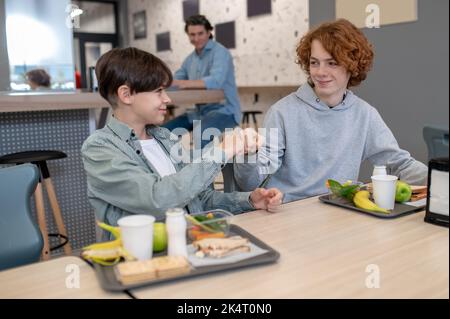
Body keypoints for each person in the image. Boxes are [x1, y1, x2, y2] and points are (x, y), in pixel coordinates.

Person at [81, 47, 283, 240]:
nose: (167, 99)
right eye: (159, 91)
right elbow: (158, 199)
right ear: (126, 95)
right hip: (142, 261)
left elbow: (200, 199)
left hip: (190, 246)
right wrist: (221, 151)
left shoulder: (164, 138)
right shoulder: (100, 148)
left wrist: (249, 201)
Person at [234, 19, 428, 203]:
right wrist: (247, 156)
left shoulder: (364, 114)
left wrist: (439, 179)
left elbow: (400, 164)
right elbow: (250, 184)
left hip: (339, 212)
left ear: (353, 66)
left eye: (332, 63)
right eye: (314, 62)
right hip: (287, 212)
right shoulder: (282, 112)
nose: (320, 72)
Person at [163, 15, 241, 148]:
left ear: (209, 32)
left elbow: (215, 81)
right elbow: (175, 81)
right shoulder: (190, 59)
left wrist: (182, 83)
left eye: (200, 33)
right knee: (163, 132)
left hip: (225, 111)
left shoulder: (220, 52)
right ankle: (171, 168)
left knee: (201, 134)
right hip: (198, 113)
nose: (196, 38)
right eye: (192, 34)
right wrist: (158, 84)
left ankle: (202, 169)